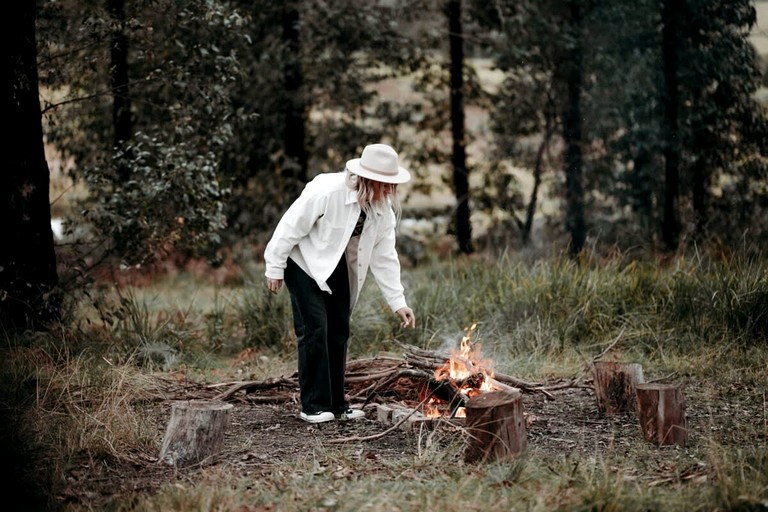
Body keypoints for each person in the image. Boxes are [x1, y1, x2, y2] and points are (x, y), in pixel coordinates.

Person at [264, 143, 416, 424]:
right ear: (370, 180)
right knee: (315, 329)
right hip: (303, 263)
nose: (390, 192)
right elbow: (290, 226)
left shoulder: (383, 212)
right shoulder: (327, 191)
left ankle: (336, 404)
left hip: (338, 267)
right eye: (386, 185)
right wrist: (274, 267)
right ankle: (313, 405)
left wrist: (399, 302)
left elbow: (385, 257)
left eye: (392, 186)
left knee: (339, 331)